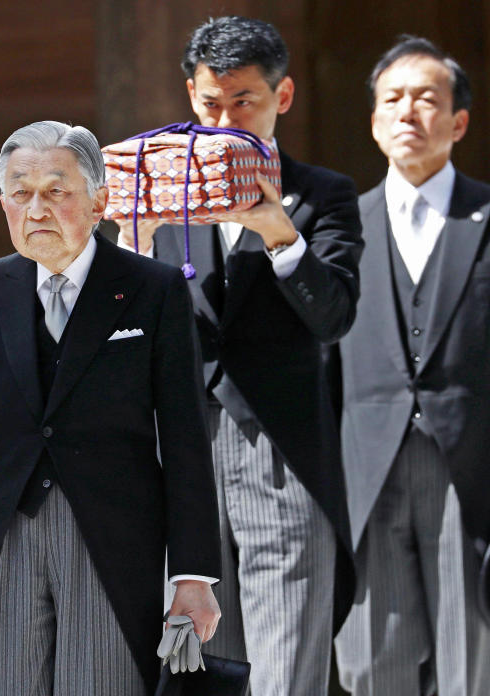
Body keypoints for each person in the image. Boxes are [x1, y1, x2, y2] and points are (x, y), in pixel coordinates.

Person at [113, 16, 362, 696]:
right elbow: (116, 341)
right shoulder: (155, 191)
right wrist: (132, 247)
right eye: (208, 104)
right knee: (199, 674)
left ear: (282, 98)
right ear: (190, 96)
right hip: (181, 456)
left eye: (243, 102)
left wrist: (281, 233)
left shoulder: (323, 195)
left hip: (281, 454)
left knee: (283, 675)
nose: (224, 121)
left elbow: (335, 316)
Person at [0, 120, 221, 695]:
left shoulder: (153, 287)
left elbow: (186, 435)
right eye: (20, 192)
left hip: (113, 537)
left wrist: (192, 574)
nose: (36, 208)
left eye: (56, 191)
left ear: (99, 201)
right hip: (2, 537)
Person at [334, 35, 490, 695]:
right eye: (392, 100)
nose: (408, 112)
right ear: (373, 123)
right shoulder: (339, 227)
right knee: (374, 663)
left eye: (427, 99)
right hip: (365, 469)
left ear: (457, 122)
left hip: (472, 469)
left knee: (471, 658)